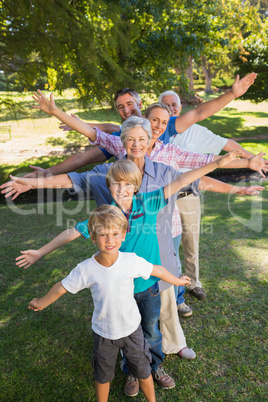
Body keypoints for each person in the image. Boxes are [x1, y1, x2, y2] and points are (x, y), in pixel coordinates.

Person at [2, 116, 264, 394]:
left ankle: (151, 368)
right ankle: (132, 372)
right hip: (121, 287)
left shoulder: (149, 202)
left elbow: (185, 178)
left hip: (148, 284)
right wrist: (40, 251)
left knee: (151, 331)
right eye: (116, 186)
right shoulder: (107, 215)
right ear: (109, 185)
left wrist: (218, 164)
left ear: (136, 186)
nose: (122, 190)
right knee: (128, 331)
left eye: (128, 186)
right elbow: (73, 231)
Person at [28, 204, 192, 402]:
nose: (110, 240)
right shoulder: (86, 269)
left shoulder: (130, 260)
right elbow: (60, 287)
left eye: (115, 234)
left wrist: (177, 280)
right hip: (104, 333)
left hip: (132, 331)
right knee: (102, 374)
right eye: (103, 235)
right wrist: (41, 302)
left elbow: (157, 270)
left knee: (143, 369)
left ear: (123, 235)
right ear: (93, 237)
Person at [24, 73, 257, 178]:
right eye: (120, 107)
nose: (126, 110)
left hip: (169, 196)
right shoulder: (120, 139)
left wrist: (232, 94)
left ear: (140, 104)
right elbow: (83, 157)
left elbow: (199, 112)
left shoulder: (164, 125)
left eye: (130, 104)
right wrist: (47, 173)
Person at [159, 89, 267, 310]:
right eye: (166, 105)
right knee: (165, 245)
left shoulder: (197, 132)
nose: (171, 109)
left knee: (191, 240)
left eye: (174, 105)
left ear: (180, 107)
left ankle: (193, 282)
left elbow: (228, 146)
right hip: (161, 199)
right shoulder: (157, 132)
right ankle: (171, 290)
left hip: (188, 194)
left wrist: (251, 159)